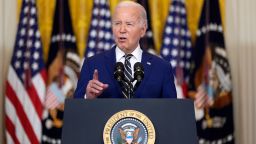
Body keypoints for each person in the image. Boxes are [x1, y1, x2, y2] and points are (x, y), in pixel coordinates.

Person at [74, 1, 177, 99]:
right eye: (117, 23)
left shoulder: (162, 68)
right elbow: (77, 111)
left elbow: (170, 111)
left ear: (143, 29)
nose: (122, 30)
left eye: (129, 24)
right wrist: (88, 97)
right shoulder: (92, 64)